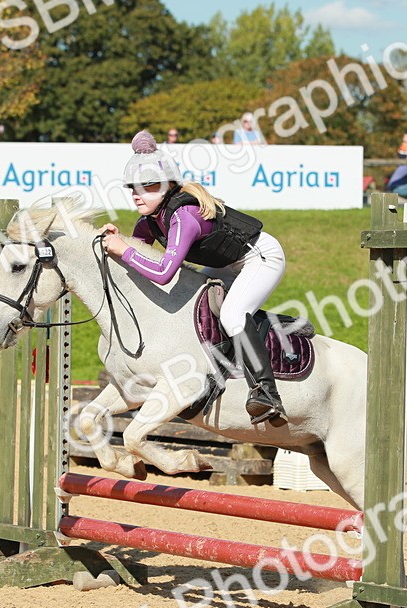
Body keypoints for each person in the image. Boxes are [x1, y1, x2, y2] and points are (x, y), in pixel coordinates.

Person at [101, 130, 287, 425]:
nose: (137, 193)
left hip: (260, 258)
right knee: (197, 306)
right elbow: (138, 256)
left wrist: (123, 249)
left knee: (234, 313)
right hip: (227, 264)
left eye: (147, 186)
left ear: (168, 187)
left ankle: (266, 393)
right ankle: (212, 370)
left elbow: (162, 274)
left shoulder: (182, 216)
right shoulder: (150, 221)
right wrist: (118, 242)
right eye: (133, 187)